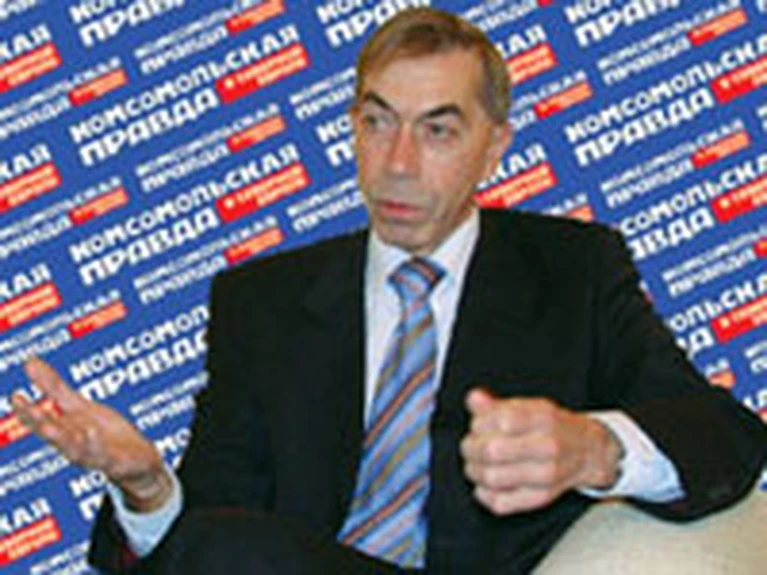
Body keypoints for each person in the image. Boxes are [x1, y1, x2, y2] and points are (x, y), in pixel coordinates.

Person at [12, 8, 767, 574]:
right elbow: (202, 533)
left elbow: (726, 436)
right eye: (377, 123)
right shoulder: (263, 300)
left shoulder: (573, 270)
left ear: (494, 146)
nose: (397, 163)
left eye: (437, 131)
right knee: (227, 545)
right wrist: (146, 486)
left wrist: (593, 449)